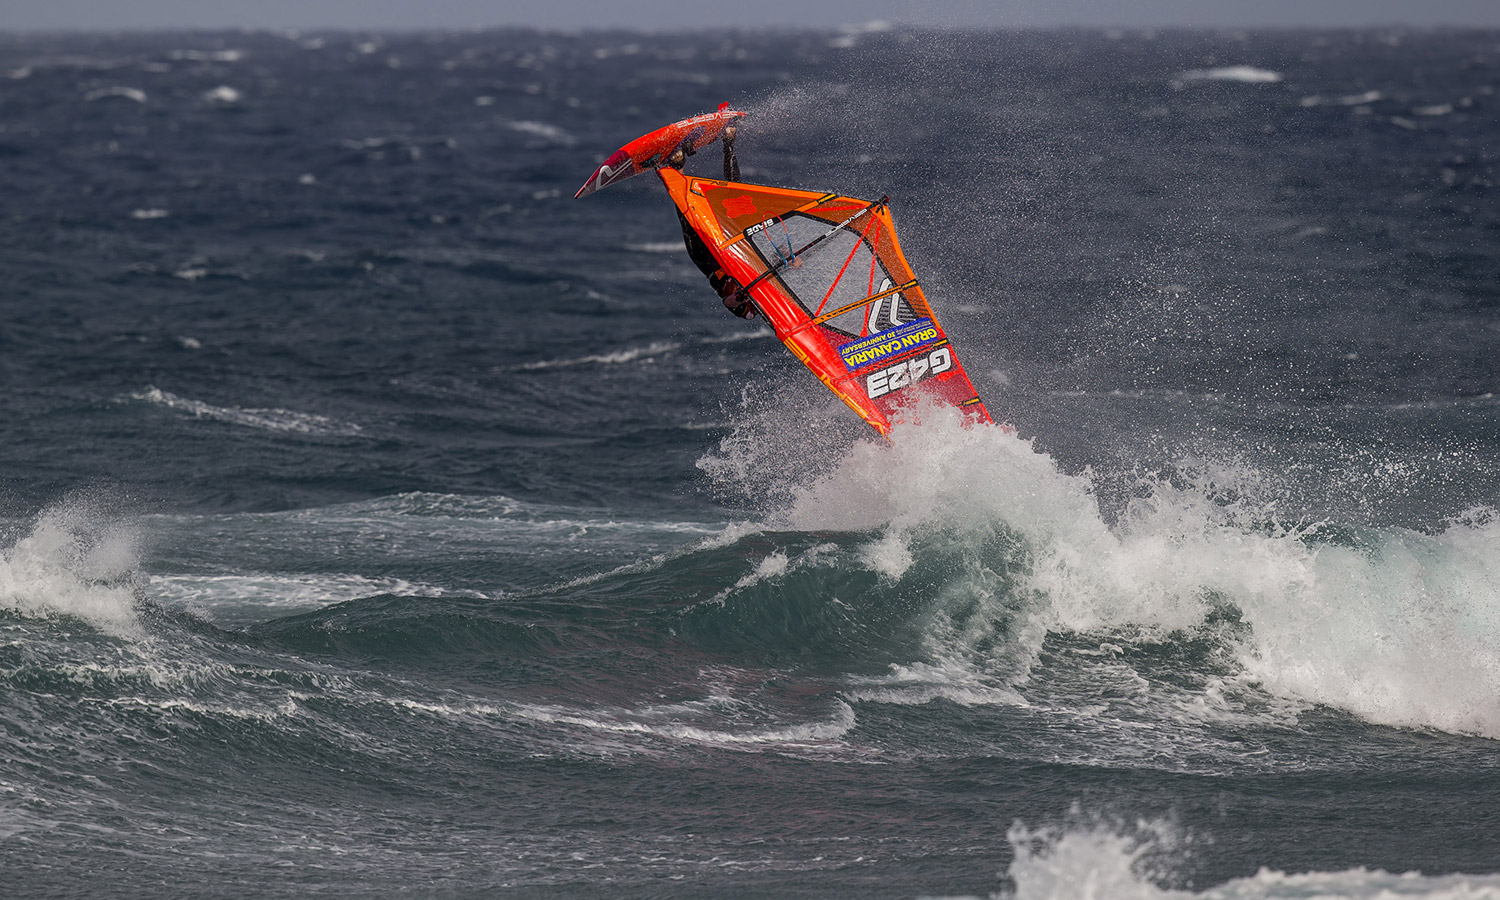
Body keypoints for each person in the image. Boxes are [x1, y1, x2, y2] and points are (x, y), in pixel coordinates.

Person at [668, 125, 755, 319]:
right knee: (737, 197)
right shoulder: (774, 287)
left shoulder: (751, 313)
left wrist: (742, 295)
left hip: (710, 262)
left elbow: (728, 302)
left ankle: (676, 166)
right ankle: (729, 139)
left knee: (687, 220)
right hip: (733, 248)